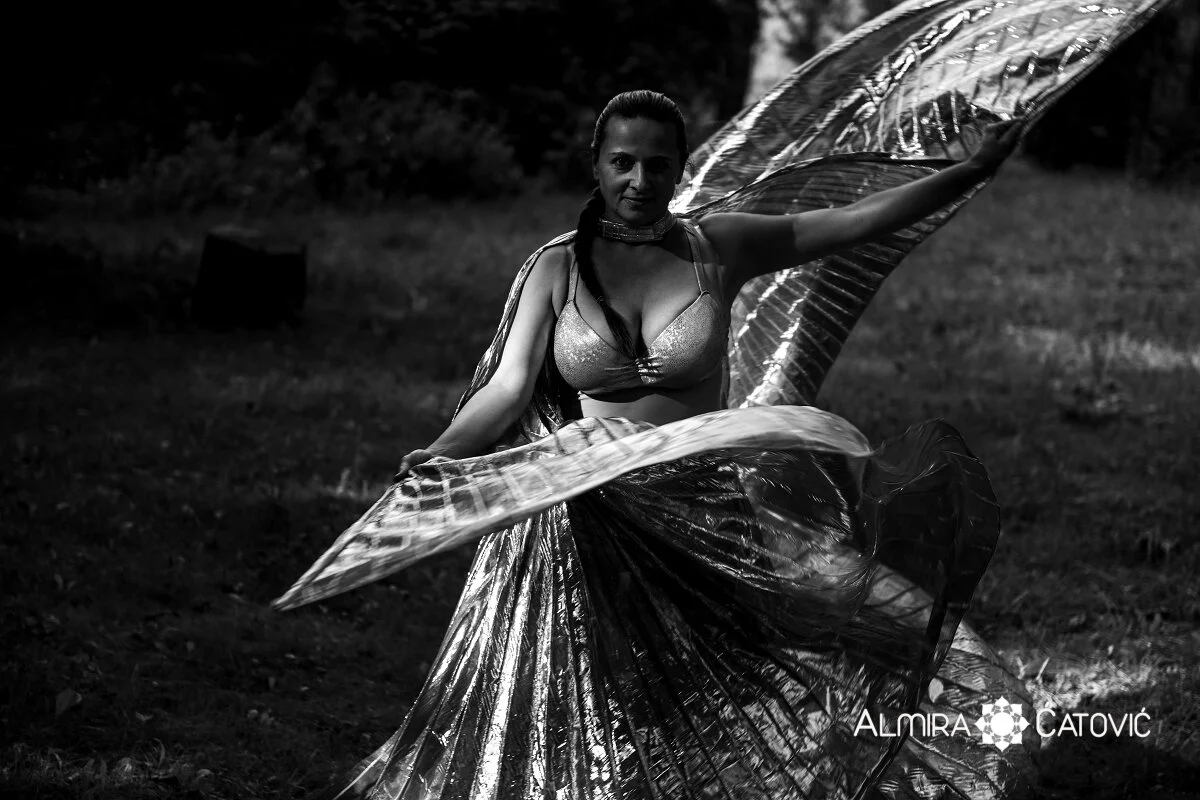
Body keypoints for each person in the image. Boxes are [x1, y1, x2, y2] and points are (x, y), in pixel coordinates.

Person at [277, 88, 1037, 800]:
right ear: (596, 165)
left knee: (738, 665)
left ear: (679, 169)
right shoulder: (556, 267)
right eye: (622, 162)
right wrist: (445, 450)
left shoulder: (717, 247)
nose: (639, 180)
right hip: (590, 504)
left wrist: (969, 170)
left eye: (657, 164)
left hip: (701, 501)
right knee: (601, 682)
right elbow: (508, 388)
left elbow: (851, 222)